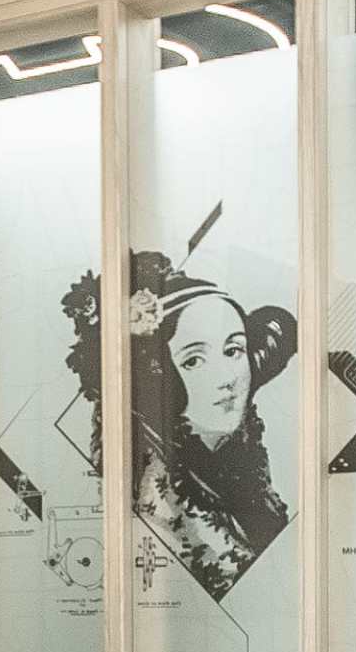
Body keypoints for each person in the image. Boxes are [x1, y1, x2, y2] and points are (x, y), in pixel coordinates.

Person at [61, 245, 297, 603]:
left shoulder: (236, 452)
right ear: (158, 380)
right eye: (193, 361)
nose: (226, 379)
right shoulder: (158, 496)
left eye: (233, 351)